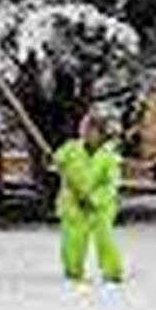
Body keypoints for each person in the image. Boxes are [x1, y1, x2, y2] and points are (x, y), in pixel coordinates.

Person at [53, 110, 124, 284]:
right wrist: (57, 161)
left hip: (100, 207)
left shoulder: (109, 157)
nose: (85, 132)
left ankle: (112, 272)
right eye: (84, 128)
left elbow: (111, 184)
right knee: (72, 239)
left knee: (105, 238)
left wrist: (94, 199)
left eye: (91, 129)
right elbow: (57, 160)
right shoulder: (71, 148)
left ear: (101, 134)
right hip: (73, 203)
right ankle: (73, 271)